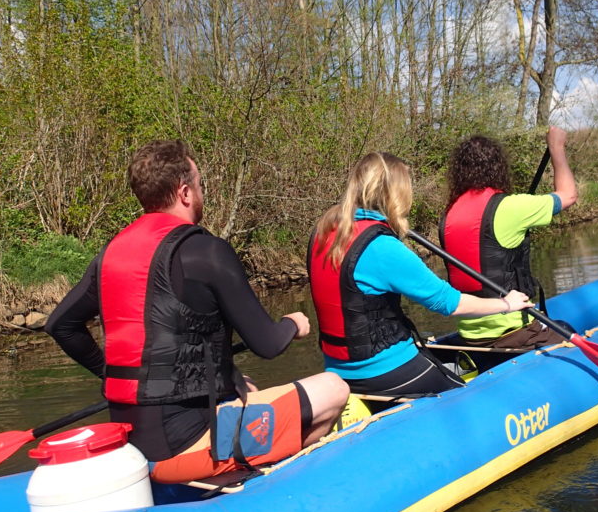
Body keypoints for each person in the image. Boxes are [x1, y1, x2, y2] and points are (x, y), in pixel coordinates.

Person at [46, 140, 349, 484]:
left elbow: (61, 325)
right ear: (185, 192)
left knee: (243, 383)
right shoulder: (208, 252)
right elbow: (268, 344)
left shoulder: (111, 253)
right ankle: (271, 486)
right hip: (184, 446)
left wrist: (112, 374)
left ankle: (234, 467)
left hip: (132, 438)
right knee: (333, 387)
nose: (202, 192)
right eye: (200, 184)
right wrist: (292, 324)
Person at [307, 151, 533, 397]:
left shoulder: (323, 233)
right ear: (397, 193)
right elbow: (448, 303)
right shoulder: (381, 247)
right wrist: (506, 304)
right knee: (468, 394)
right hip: (383, 371)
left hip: (339, 370)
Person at [439, 126, 578, 348]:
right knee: (569, 331)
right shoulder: (511, 207)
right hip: (516, 332)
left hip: (470, 335)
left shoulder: (449, 214)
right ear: (498, 168)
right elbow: (568, 194)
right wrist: (556, 147)